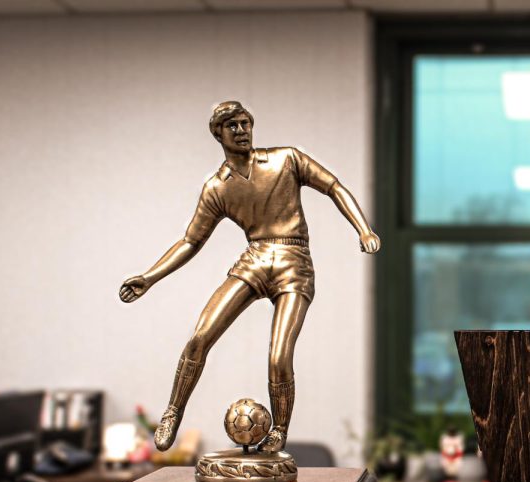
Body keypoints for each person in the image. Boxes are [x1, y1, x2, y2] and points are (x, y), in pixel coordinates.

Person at [119, 100, 380, 454]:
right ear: (218, 134)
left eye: (245, 124)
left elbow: (334, 186)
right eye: (233, 126)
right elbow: (191, 241)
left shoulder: (285, 159)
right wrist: (149, 277)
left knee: (278, 356)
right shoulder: (217, 188)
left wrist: (363, 229)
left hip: (294, 260)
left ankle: (279, 429)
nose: (241, 131)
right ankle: (173, 411)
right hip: (255, 257)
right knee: (200, 335)